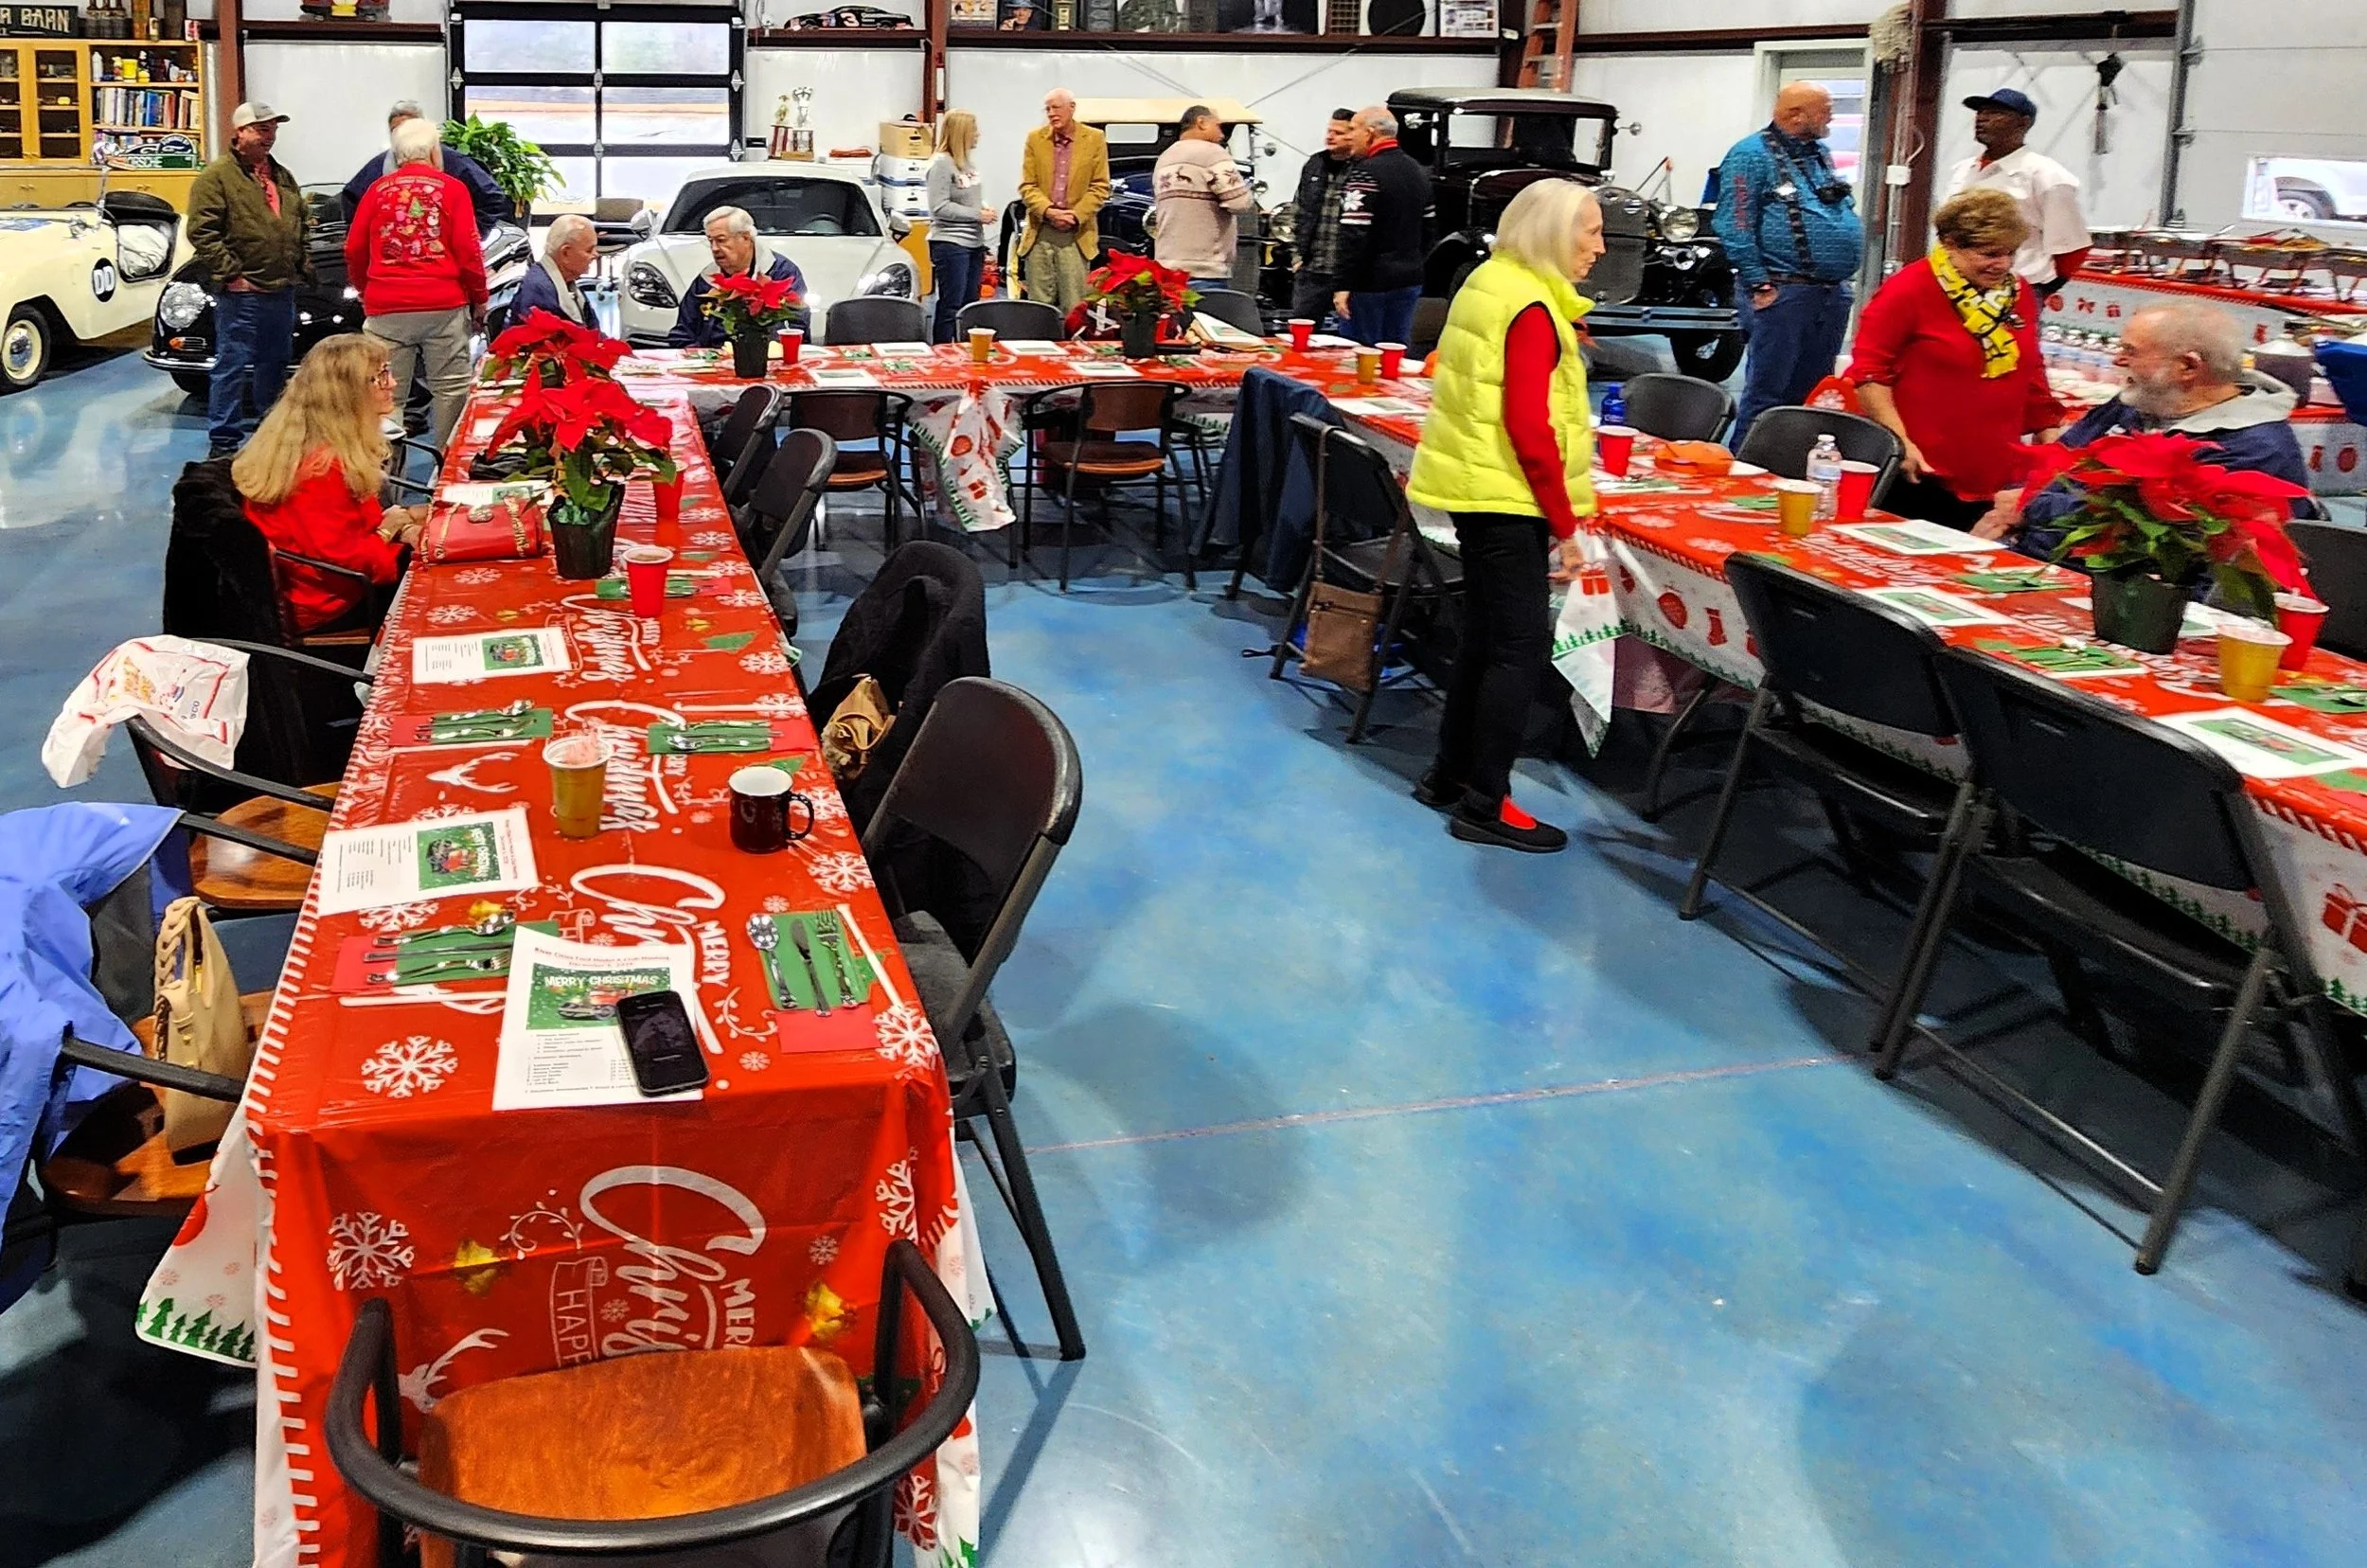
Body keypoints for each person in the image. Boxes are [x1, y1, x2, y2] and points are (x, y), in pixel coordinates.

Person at [1404, 181, 1604, 855]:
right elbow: (1529, 426)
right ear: (1551, 232)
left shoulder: (1492, 279)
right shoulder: (1532, 309)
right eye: (1590, 233)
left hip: (1476, 488)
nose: (1599, 249)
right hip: (1508, 499)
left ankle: (1447, 774)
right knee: (1518, 652)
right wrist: (1569, 526)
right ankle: (1487, 801)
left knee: (1486, 642)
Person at [1994, 301, 2310, 559]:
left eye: (2130, 351)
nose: (2117, 359)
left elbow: (2135, 529)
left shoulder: (2258, 447)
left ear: (2188, 366)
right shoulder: (2136, 403)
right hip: (2037, 554)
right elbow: (2055, 464)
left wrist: (2027, 507)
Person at [1847, 188, 2063, 530]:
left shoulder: (2016, 293)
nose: (2003, 265)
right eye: (1989, 253)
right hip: (1921, 469)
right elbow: (1870, 373)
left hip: (1994, 468)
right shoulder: (1910, 288)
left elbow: (2031, 370)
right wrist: (1900, 442)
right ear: (1950, 243)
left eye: (2010, 253)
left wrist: (2052, 439)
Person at [233, 334, 422, 635]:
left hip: (341, 579)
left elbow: (356, 530)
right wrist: (389, 530)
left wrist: (398, 527)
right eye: (381, 376)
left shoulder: (317, 443)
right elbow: (353, 565)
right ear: (347, 394)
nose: (393, 384)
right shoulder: (320, 469)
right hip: (331, 603)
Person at [1713, 83, 1863, 444]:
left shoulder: (1819, 153)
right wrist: (1757, 283)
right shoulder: (1750, 155)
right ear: (1796, 114)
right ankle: (1747, 470)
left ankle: (1792, 468)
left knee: (1813, 395)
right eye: (1825, 109)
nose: (1831, 116)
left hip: (1828, 294)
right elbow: (1734, 221)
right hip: (1781, 292)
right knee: (1768, 394)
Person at [346, 116, 489, 448]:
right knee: (450, 391)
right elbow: (469, 251)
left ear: (397, 155)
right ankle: (442, 478)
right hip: (443, 305)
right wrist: (479, 298)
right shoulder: (453, 189)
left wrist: (366, 291)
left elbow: (353, 248)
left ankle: (386, 482)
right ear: (434, 151)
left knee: (385, 394)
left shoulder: (376, 191)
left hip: (387, 308)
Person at [187, 101, 310, 458]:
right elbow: (202, 232)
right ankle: (224, 442)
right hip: (242, 293)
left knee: (275, 363)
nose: (268, 137)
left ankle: (269, 432)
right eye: (260, 129)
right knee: (233, 364)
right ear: (239, 132)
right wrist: (231, 275)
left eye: (272, 129)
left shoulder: (282, 176)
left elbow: (299, 221)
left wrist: (301, 264)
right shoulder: (216, 178)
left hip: (280, 288)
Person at [1944, 88, 2090, 295]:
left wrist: (2039, 292)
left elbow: (2072, 247)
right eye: (1980, 112)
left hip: (2015, 290)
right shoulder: (1963, 170)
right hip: (1956, 287)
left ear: (2023, 122)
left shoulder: (2046, 175)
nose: (1982, 118)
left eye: (1995, 113)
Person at [1331, 106, 1432, 348]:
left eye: (1353, 129)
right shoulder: (1418, 171)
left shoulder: (1365, 175)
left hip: (1369, 284)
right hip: (1409, 279)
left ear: (1370, 133)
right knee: (1395, 354)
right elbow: (1429, 230)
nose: (1348, 136)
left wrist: (1342, 285)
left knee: (1361, 355)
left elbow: (1353, 235)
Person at [342, 100, 508, 237]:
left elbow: (492, 197)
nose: (403, 137)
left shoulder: (455, 164)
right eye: (396, 131)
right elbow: (352, 201)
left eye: (410, 130)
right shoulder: (378, 169)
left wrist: (472, 233)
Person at [1017, 89, 1111, 318]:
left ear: (1072, 107)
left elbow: (1100, 186)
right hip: (1041, 232)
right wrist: (1049, 212)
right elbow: (1027, 186)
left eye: (1056, 107)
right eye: (1047, 109)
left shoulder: (1094, 139)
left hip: (1076, 234)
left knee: (1074, 306)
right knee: (1039, 308)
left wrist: (1075, 215)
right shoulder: (1035, 139)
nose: (1051, 113)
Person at [667, 207, 810, 347]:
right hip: (711, 359)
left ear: (746, 238)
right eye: (710, 241)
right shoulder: (707, 279)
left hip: (764, 357)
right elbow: (682, 333)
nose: (714, 248)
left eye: (721, 240)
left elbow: (793, 326)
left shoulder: (781, 273)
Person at [1151, 104, 1254, 286]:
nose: (1222, 135)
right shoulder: (1212, 153)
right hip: (1205, 266)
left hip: (1167, 265)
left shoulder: (1164, 159)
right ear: (1201, 122)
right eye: (1218, 126)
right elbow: (1240, 203)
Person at [926, 110, 996, 344]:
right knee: (951, 304)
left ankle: (967, 349)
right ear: (962, 132)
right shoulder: (941, 165)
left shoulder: (966, 164)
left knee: (969, 305)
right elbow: (940, 207)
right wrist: (977, 215)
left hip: (974, 243)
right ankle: (943, 351)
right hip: (950, 243)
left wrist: (985, 209)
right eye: (974, 130)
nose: (978, 135)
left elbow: (969, 197)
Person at [1290, 108, 1357, 330]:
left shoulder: (1363, 169)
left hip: (1346, 272)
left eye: (1338, 132)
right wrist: (1297, 256)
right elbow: (1298, 209)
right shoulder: (1314, 164)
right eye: (1329, 130)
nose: (1330, 136)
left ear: (1353, 135)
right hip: (1312, 268)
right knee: (1301, 330)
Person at [512, 213, 599, 329]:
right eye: (589, 250)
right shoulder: (539, 293)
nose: (596, 255)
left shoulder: (561, 281)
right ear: (565, 253)